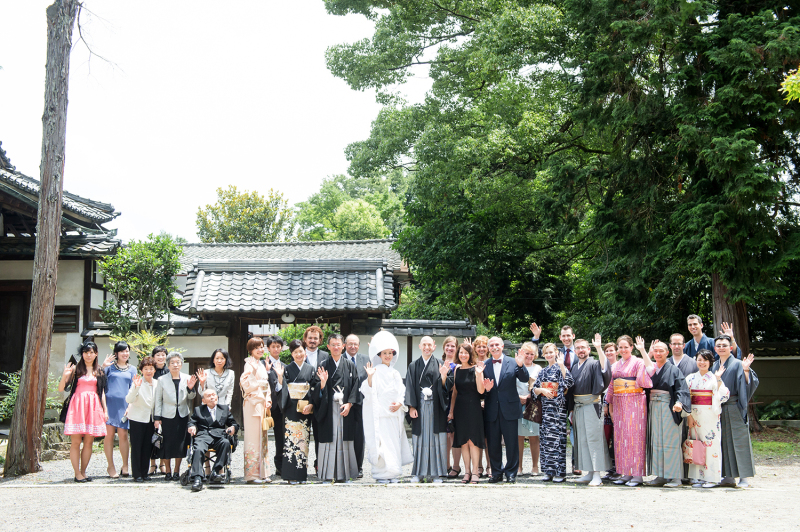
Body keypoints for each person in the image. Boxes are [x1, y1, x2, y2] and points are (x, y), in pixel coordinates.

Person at [360, 331, 413, 483]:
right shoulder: (374, 371)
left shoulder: (395, 373)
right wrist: (370, 377)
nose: (388, 356)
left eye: (390, 353)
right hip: (380, 415)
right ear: (379, 355)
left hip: (393, 415)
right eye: (385, 353)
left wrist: (400, 403)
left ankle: (394, 473)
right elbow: (366, 391)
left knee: (393, 444)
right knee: (380, 444)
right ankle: (381, 474)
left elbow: (401, 391)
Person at [605, 335, 653, 487]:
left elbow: (645, 381)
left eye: (626, 347)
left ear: (632, 347)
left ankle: (637, 475)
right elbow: (611, 386)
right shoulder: (615, 365)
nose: (623, 349)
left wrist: (645, 352)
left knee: (635, 437)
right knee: (620, 438)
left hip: (635, 401)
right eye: (621, 347)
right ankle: (625, 472)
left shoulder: (638, 362)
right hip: (619, 402)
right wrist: (609, 403)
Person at [712, 335, 758, 488]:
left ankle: (744, 477)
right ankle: (728, 476)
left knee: (739, 441)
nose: (721, 348)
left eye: (724, 345)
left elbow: (750, 382)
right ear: (715, 348)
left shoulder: (738, 364)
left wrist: (745, 370)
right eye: (718, 345)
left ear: (731, 348)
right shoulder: (714, 366)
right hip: (718, 408)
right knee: (722, 442)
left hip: (734, 406)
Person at [59, 341, 108, 482]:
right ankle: (77, 473)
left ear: (96, 354)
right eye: (86, 352)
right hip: (77, 406)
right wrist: (64, 375)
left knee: (88, 442)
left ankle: (83, 471)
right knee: (75, 442)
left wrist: (105, 410)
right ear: (82, 354)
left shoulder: (99, 370)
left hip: (93, 407)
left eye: (91, 352)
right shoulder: (75, 369)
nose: (88, 355)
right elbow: (62, 389)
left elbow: (102, 392)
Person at [644, 340, 691, 488]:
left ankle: (676, 477)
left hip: (668, 407)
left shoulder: (674, 370)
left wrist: (679, 403)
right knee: (656, 441)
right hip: (653, 406)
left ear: (667, 352)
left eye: (661, 351)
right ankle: (661, 475)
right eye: (655, 351)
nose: (658, 354)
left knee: (670, 442)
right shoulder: (650, 369)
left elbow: (682, 389)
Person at [482, 336, 529, 483]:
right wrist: (485, 390)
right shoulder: (484, 364)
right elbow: (480, 389)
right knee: (493, 443)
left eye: (497, 344)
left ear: (502, 346)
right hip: (491, 409)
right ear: (489, 348)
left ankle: (511, 473)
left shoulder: (513, 361)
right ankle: (496, 472)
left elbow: (524, 379)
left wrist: (521, 366)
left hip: (509, 408)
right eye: (492, 345)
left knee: (511, 443)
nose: (494, 347)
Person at [405, 336, 451, 483]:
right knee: (420, 439)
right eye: (424, 344)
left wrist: (444, 376)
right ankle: (418, 473)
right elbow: (409, 387)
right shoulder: (413, 365)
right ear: (420, 346)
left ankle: (437, 474)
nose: (426, 347)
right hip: (419, 406)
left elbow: (446, 388)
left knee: (437, 439)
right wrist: (411, 407)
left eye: (429, 345)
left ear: (434, 346)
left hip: (436, 407)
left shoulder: (440, 363)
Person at [281, 339, 326, 484]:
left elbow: (314, 388)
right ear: (292, 354)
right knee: (290, 443)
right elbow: (283, 390)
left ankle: (301, 475)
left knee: (303, 442)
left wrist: (312, 404)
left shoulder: (311, 369)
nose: (299, 354)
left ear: (304, 352)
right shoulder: (287, 369)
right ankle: (289, 475)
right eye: (295, 352)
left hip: (305, 410)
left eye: (301, 351)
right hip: (291, 409)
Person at [316, 334, 360, 482]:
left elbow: (355, 386)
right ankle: (327, 475)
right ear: (328, 347)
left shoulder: (350, 365)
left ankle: (344, 474)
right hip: (328, 408)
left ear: (343, 346)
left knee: (343, 439)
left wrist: (350, 404)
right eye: (333, 345)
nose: (336, 347)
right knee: (330, 439)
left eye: (338, 344)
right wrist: (321, 384)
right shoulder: (322, 365)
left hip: (345, 407)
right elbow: (315, 389)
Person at [569, 337, 611, 486]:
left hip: (592, 404)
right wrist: (571, 410)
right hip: (578, 406)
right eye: (578, 348)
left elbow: (605, 368)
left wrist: (599, 348)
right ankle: (588, 472)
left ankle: (597, 475)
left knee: (594, 439)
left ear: (588, 349)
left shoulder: (594, 363)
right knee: (582, 440)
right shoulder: (574, 367)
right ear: (575, 351)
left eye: (583, 347)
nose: (581, 350)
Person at [684, 350, 730, 488]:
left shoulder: (714, 377)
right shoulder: (690, 378)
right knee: (696, 444)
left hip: (710, 415)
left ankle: (712, 478)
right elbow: (686, 398)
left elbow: (725, 395)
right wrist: (689, 416)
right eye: (699, 359)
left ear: (710, 362)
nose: (702, 362)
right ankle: (697, 478)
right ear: (696, 360)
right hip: (695, 415)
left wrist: (718, 379)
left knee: (711, 446)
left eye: (705, 360)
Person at [532, 343, 574, 482]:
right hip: (545, 410)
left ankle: (559, 472)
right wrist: (542, 390)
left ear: (556, 352)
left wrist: (562, 365)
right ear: (543, 355)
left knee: (558, 440)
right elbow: (534, 390)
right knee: (545, 441)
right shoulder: (543, 371)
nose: (549, 355)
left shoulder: (560, 368)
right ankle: (548, 471)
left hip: (558, 409)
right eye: (546, 353)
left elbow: (569, 381)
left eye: (551, 352)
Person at [154, 353, 197, 481]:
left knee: (180, 443)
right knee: (167, 443)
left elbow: (191, 397)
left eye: (178, 362)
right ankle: (168, 470)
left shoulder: (187, 378)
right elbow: (158, 400)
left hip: (182, 414)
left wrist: (190, 388)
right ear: (168, 364)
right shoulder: (162, 380)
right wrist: (157, 418)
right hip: (166, 415)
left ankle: (177, 470)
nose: (175, 365)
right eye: (172, 362)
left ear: (182, 364)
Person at [187, 389, 239, 492]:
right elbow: (191, 422)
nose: (212, 397)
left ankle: (215, 471)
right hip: (203, 436)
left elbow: (234, 423)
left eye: (213, 395)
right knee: (198, 449)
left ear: (217, 397)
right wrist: (192, 426)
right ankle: (197, 478)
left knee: (226, 443)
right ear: (204, 400)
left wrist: (233, 428)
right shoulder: (199, 410)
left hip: (219, 436)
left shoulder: (224, 409)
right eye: (208, 396)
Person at [449, 342, 486, 484]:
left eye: (466, 352)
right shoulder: (457, 369)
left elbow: (481, 390)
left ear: (471, 355)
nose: (463, 355)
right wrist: (451, 411)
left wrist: (478, 374)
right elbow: (454, 393)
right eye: (461, 352)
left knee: (473, 441)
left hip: (474, 408)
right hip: (460, 408)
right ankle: (467, 471)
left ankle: (476, 471)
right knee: (463, 442)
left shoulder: (477, 368)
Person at [102, 341, 137, 479]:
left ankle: (125, 465)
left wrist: (130, 406)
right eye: (122, 351)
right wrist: (103, 366)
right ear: (116, 353)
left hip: (125, 405)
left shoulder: (132, 369)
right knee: (109, 435)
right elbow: (99, 382)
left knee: (123, 435)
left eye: (127, 351)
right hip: (109, 405)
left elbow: (134, 388)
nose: (125, 353)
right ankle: (110, 466)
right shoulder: (109, 367)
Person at [240, 337, 272, 484]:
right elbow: (245, 384)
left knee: (263, 437)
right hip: (253, 403)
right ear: (251, 350)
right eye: (257, 347)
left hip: (262, 402)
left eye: (262, 347)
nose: (260, 349)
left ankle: (263, 473)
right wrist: (260, 395)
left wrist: (268, 398)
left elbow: (266, 384)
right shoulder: (250, 364)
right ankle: (252, 475)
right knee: (253, 438)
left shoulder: (260, 364)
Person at [125, 356, 158, 482]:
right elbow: (129, 399)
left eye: (151, 368)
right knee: (137, 446)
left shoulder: (157, 383)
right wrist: (136, 387)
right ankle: (137, 474)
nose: (149, 371)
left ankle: (145, 473)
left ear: (154, 370)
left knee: (147, 447)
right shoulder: (138, 382)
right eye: (146, 369)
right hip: (137, 419)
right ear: (141, 370)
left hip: (151, 419)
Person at [303, 325, 329, 472]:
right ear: (305, 339)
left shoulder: (325, 356)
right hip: (302, 401)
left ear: (320, 340)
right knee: (301, 434)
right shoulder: (299, 353)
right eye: (310, 338)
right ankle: (300, 465)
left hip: (319, 401)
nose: (312, 341)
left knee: (320, 435)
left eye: (315, 338)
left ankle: (320, 463)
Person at [345, 334, 370, 478]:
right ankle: (345, 466)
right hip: (344, 403)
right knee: (345, 435)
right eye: (350, 344)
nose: (352, 346)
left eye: (355, 344)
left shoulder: (365, 359)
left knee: (359, 437)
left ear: (359, 345)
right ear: (345, 345)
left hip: (361, 403)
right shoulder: (340, 359)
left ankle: (358, 467)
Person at [516, 342, 541, 477]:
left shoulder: (538, 368)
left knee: (533, 436)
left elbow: (542, 385)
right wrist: (518, 396)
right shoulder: (515, 366)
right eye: (527, 353)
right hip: (517, 403)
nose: (529, 356)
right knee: (518, 436)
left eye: (532, 354)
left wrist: (530, 395)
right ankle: (519, 467)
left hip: (533, 405)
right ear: (522, 353)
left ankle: (535, 466)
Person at [440, 335, 461, 477]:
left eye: (453, 346)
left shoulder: (460, 364)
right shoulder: (439, 363)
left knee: (454, 435)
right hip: (442, 404)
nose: (450, 348)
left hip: (456, 403)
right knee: (445, 436)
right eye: (447, 345)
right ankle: (445, 464)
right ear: (444, 347)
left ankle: (456, 466)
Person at [265, 336, 286, 476]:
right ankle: (262, 468)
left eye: (278, 346)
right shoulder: (262, 364)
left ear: (282, 348)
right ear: (268, 348)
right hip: (265, 405)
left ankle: (280, 465)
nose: (276, 349)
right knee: (262, 436)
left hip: (280, 406)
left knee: (281, 437)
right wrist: (267, 372)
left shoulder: (285, 365)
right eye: (273, 346)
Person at [472, 335, 491, 478]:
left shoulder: (492, 362)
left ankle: (490, 466)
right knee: (477, 436)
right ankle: (478, 465)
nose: (482, 349)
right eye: (479, 346)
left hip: (490, 403)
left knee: (489, 438)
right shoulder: (472, 363)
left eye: (484, 346)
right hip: (474, 403)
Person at [600, 342, 618, 479]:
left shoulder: (620, 365)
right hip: (605, 406)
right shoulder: (603, 367)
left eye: (611, 350)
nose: (609, 353)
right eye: (606, 351)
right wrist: (605, 404)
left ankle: (619, 467)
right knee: (606, 437)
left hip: (620, 404)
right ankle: (609, 468)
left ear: (616, 352)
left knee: (618, 437)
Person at [150, 345, 169, 475]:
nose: (161, 357)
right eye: (158, 355)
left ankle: (162, 463)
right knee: (152, 437)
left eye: (163, 355)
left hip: (165, 409)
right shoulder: (150, 371)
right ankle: (152, 464)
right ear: (153, 357)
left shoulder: (169, 371)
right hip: (151, 409)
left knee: (164, 437)